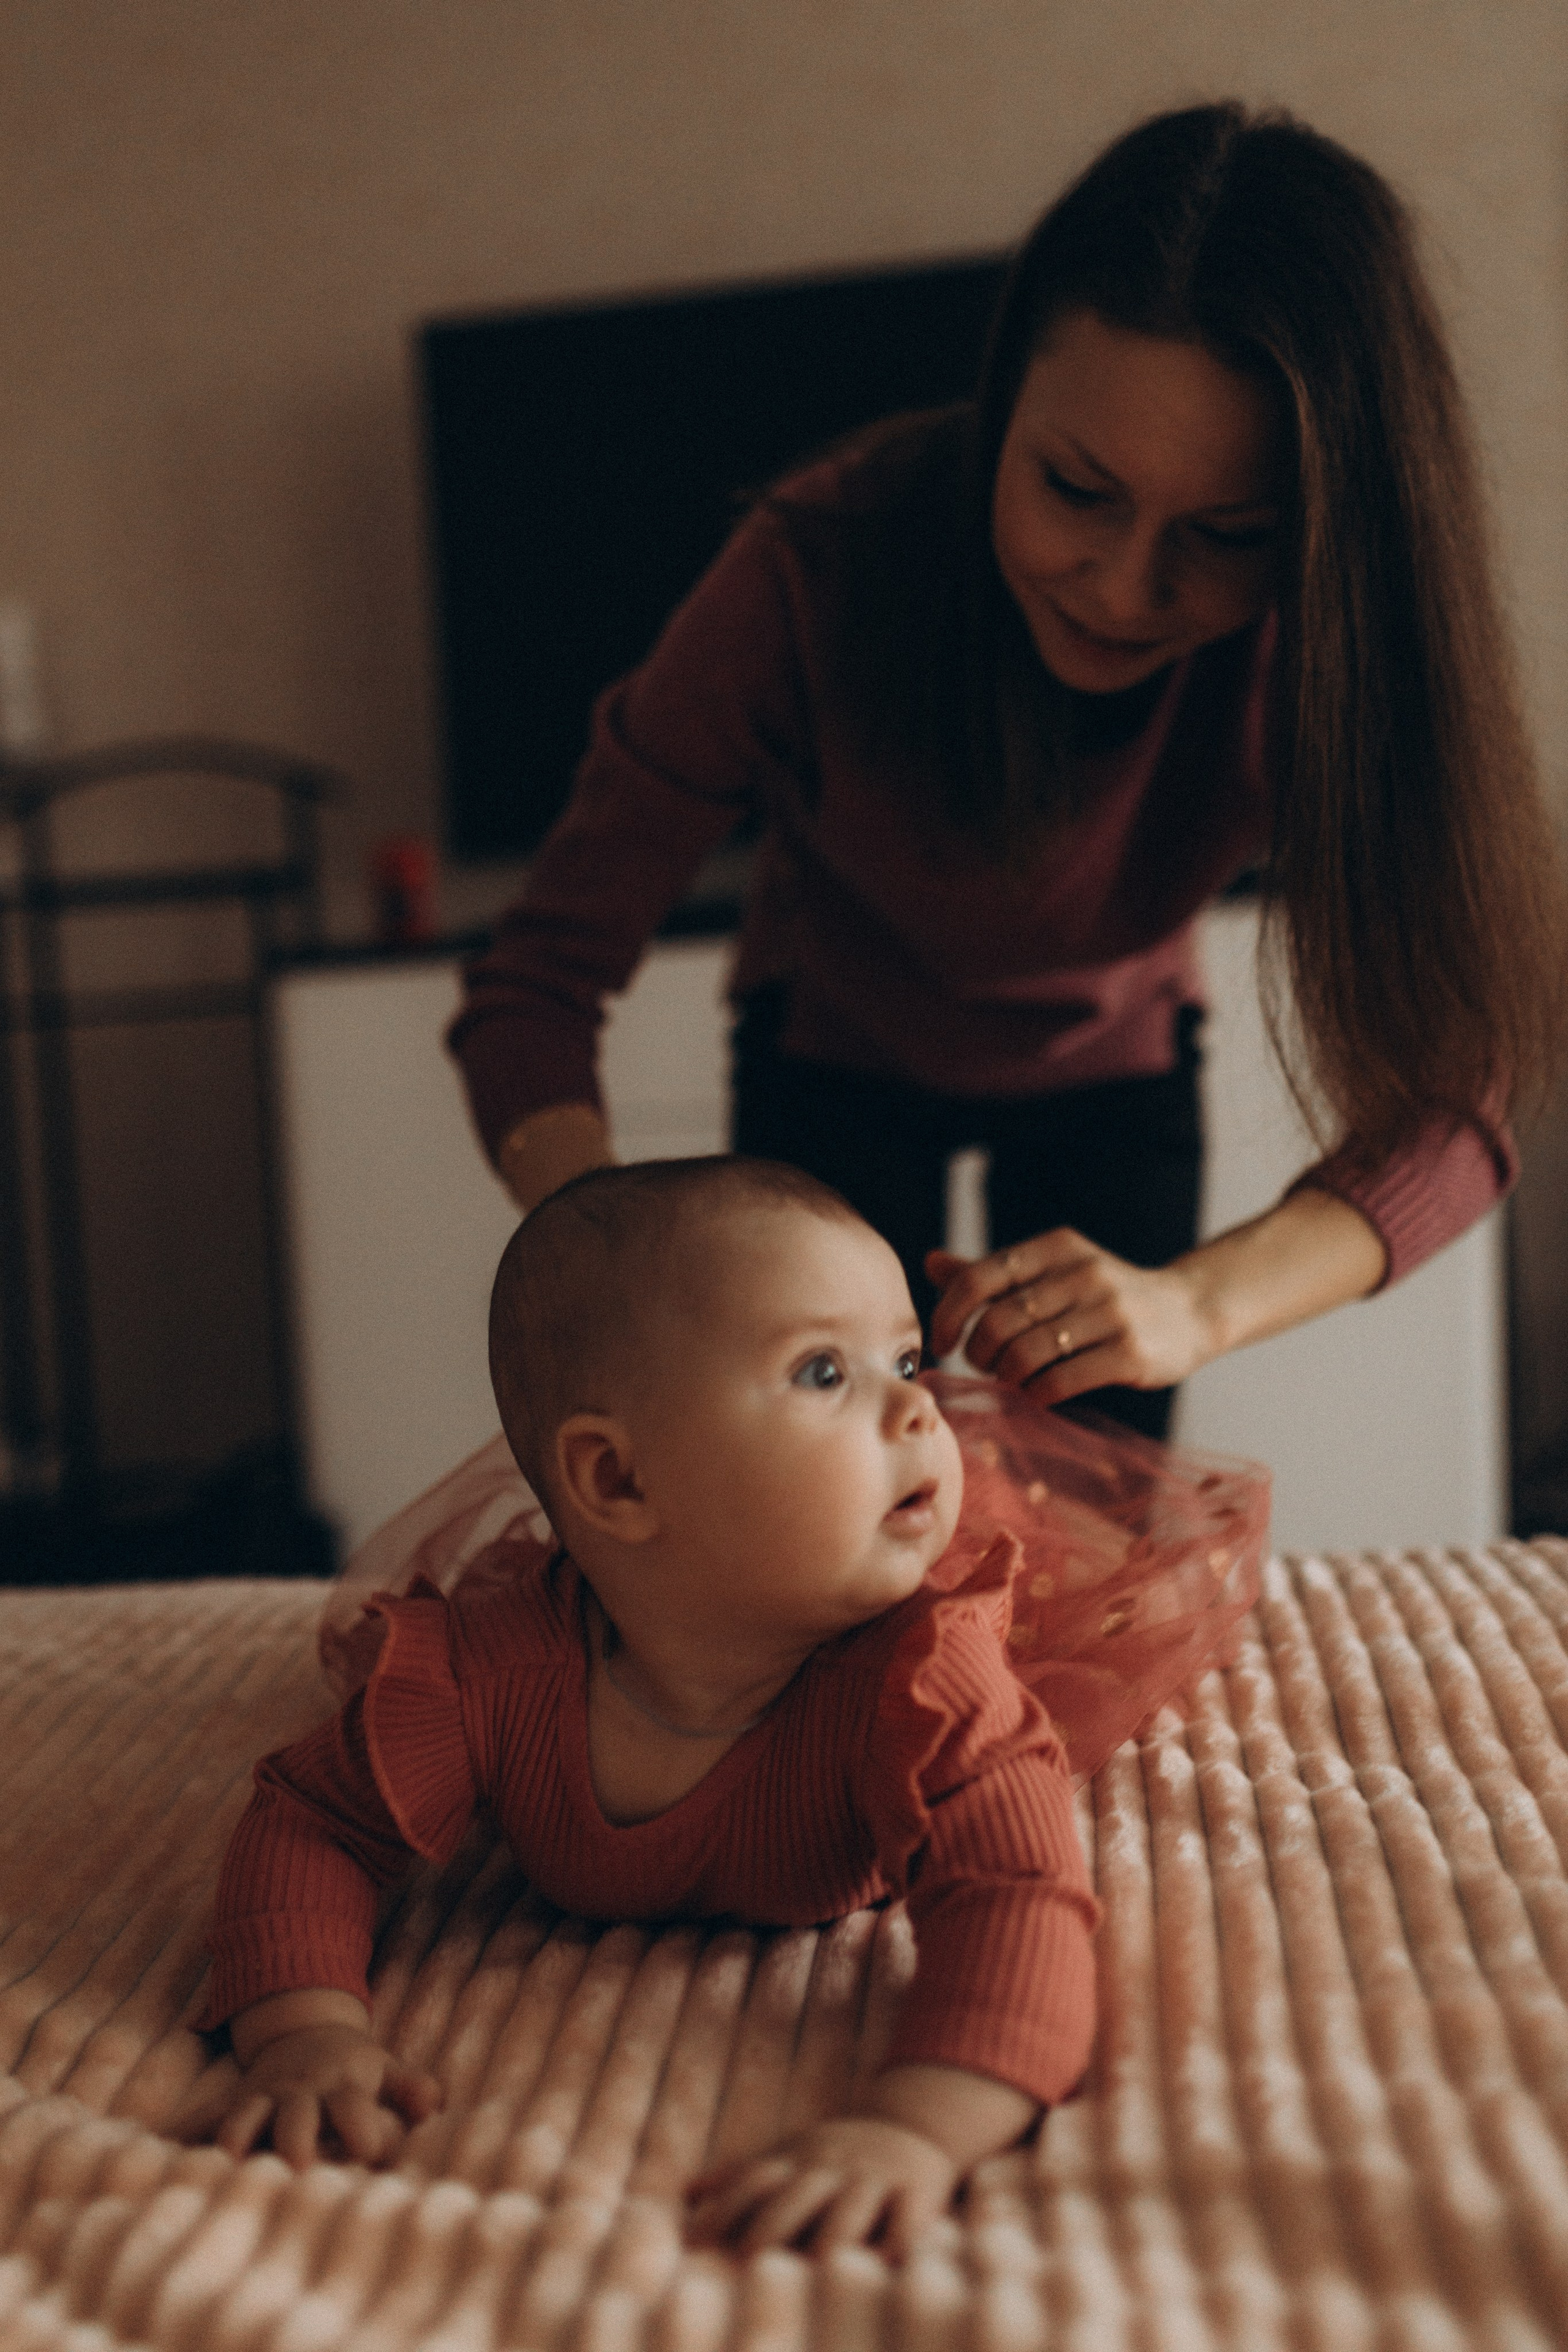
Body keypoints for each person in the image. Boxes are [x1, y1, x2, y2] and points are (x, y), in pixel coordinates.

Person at [448, 102, 1567, 1441]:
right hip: (826, 1052)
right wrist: (615, 1248)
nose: (1121, 587)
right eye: (1075, 489)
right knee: (817, 1528)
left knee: (1095, 1524)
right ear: (1004, 399)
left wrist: (1192, 1303)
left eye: (1221, 535)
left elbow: (1460, 1088)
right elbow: (534, 983)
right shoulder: (814, 566)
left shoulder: (1320, 647)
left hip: (1116, 1070)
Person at [189, 1158, 1106, 2255]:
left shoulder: (927, 1682)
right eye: (823, 1371)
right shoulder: (493, 1675)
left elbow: (1019, 1895)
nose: (920, 1405)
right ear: (618, 1483)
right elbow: (313, 1822)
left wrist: (917, 2130)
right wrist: (302, 2030)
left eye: (906, 1358)